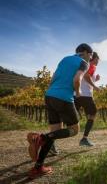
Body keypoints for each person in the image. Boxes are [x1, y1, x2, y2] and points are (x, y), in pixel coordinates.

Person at [26, 43, 92, 179]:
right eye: (90, 55)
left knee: (54, 133)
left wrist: (51, 92)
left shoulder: (65, 59)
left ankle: (38, 167)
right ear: (85, 52)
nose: (90, 58)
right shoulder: (84, 63)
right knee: (74, 130)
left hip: (50, 95)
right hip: (64, 97)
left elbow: (54, 77)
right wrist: (78, 93)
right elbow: (77, 79)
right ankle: (41, 138)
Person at [75, 52, 101, 146]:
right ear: (94, 58)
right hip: (86, 95)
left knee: (68, 117)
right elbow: (86, 77)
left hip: (77, 94)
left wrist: (95, 80)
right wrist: (95, 86)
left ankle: (51, 139)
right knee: (93, 114)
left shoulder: (83, 65)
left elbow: (85, 78)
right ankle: (84, 139)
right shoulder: (92, 66)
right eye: (98, 59)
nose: (99, 61)